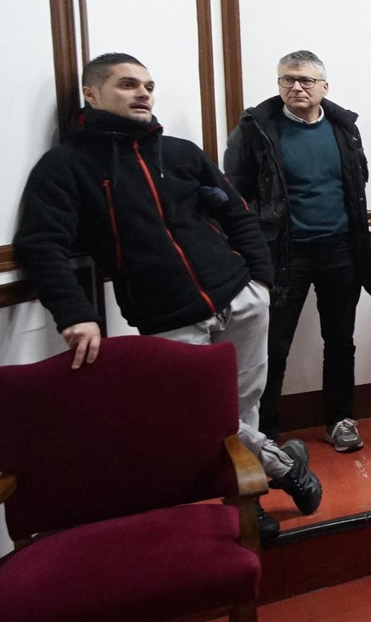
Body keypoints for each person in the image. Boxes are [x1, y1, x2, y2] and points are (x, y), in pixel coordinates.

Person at [17, 52, 323, 542]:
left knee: (243, 411)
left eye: (148, 85)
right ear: (91, 94)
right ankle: (285, 468)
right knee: (211, 419)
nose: (143, 93)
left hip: (240, 298)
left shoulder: (180, 152)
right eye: (127, 85)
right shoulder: (66, 165)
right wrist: (74, 313)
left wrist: (260, 281)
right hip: (167, 314)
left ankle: (250, 499)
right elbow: (41, 243)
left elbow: (236, 213)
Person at [225, 50, 371, 453]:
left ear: (324, 87)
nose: (295, 87)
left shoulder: (343, 127)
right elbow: (235, 194)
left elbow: (356, 181)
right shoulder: (256, 129)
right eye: (287, 80)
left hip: (341, 251)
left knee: (341, 340)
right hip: (283, 255)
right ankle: (268, 433)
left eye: (305, 81)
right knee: (273, 345)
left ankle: (340, 420)